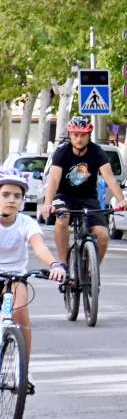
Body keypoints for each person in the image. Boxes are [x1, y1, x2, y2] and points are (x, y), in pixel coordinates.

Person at [0, 169, 66, 395]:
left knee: (20, 317)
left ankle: (23, 370)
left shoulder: (26, 223)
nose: (11, 200)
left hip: (16, 278)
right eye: (6, 194)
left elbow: (39, 246)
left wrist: (54, 264)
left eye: (17, 196)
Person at [39, 116, 127, 265]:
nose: (79, 139)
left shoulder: (97, 152)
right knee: (62, 219)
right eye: (75, 135)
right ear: (70, 135)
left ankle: (92, 270)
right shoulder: (62, 152)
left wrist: (121, 200)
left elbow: (110, 178)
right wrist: (47, 203)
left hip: (88, 199)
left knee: (102, 234)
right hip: (64, 196)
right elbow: (53, 180)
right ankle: (63, 264)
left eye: (83, 135)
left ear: (89, 135)